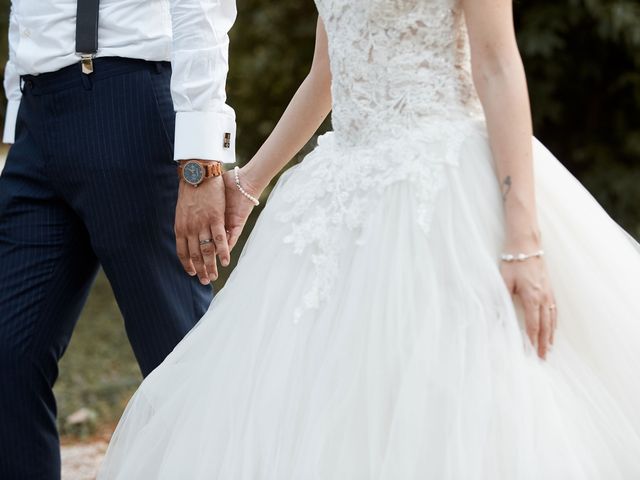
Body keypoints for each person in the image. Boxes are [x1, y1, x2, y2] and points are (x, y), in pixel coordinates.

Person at [100, 0, 640, 478]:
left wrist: (523, 234)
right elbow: (326, 75)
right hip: (340, 193)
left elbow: (497, 67)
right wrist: (249, 183)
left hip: (443, 189)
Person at [0, 1, 239, 478]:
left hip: (128, 102)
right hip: (35, 112)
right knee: (8, 353)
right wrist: (13, 127)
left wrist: (200, 158)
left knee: (178, 361)